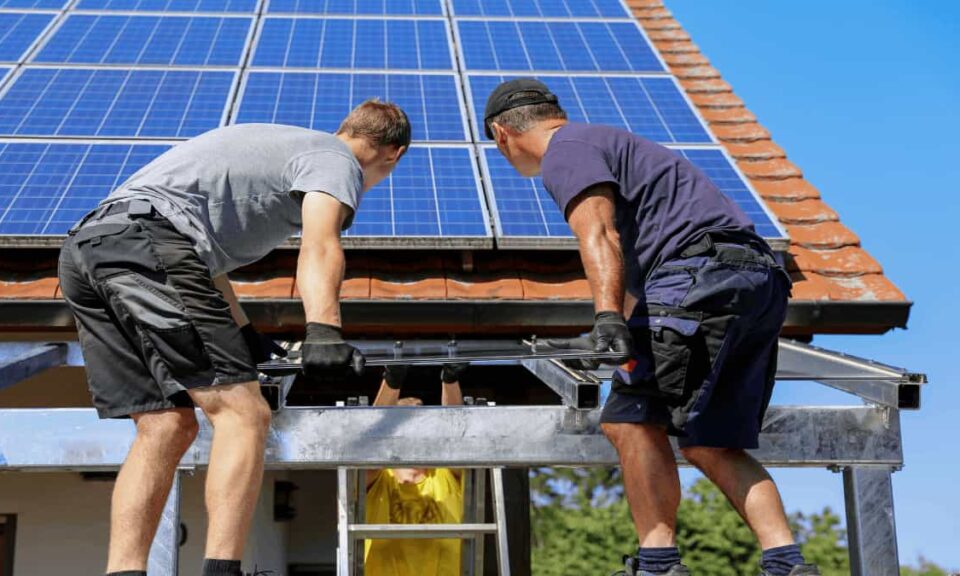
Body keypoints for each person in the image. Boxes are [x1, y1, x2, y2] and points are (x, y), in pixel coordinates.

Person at [57, 100, 410, 576]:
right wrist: (323, 329)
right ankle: (222, 571)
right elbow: (321, 242)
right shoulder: (337, 160)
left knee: (164, 426)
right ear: (393, 154)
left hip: (88, 249)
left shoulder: (283, 147)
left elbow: (200, 265)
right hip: (147, 246)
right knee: (244, 415)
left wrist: (245, 335)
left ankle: (124, 571)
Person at [483, 79, 817, 576]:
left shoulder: (565, 150)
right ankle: (787, 564)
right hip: (756, 283)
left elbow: (599, 231)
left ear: (500, 133)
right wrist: (626, 326)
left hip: (697, 279)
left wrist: (607, 320)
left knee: (629, 419)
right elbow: (645, 275)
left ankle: (659, 564)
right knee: (711, 442)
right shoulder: (611, 145)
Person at [363, 364, 468, 576]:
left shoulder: (445, 474)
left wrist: (450, 379)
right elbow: (372, 444)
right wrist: (392, 380)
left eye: (422, 427)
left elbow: (456, 438)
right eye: (407, 427)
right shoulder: (380, 477)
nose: (416, 434)